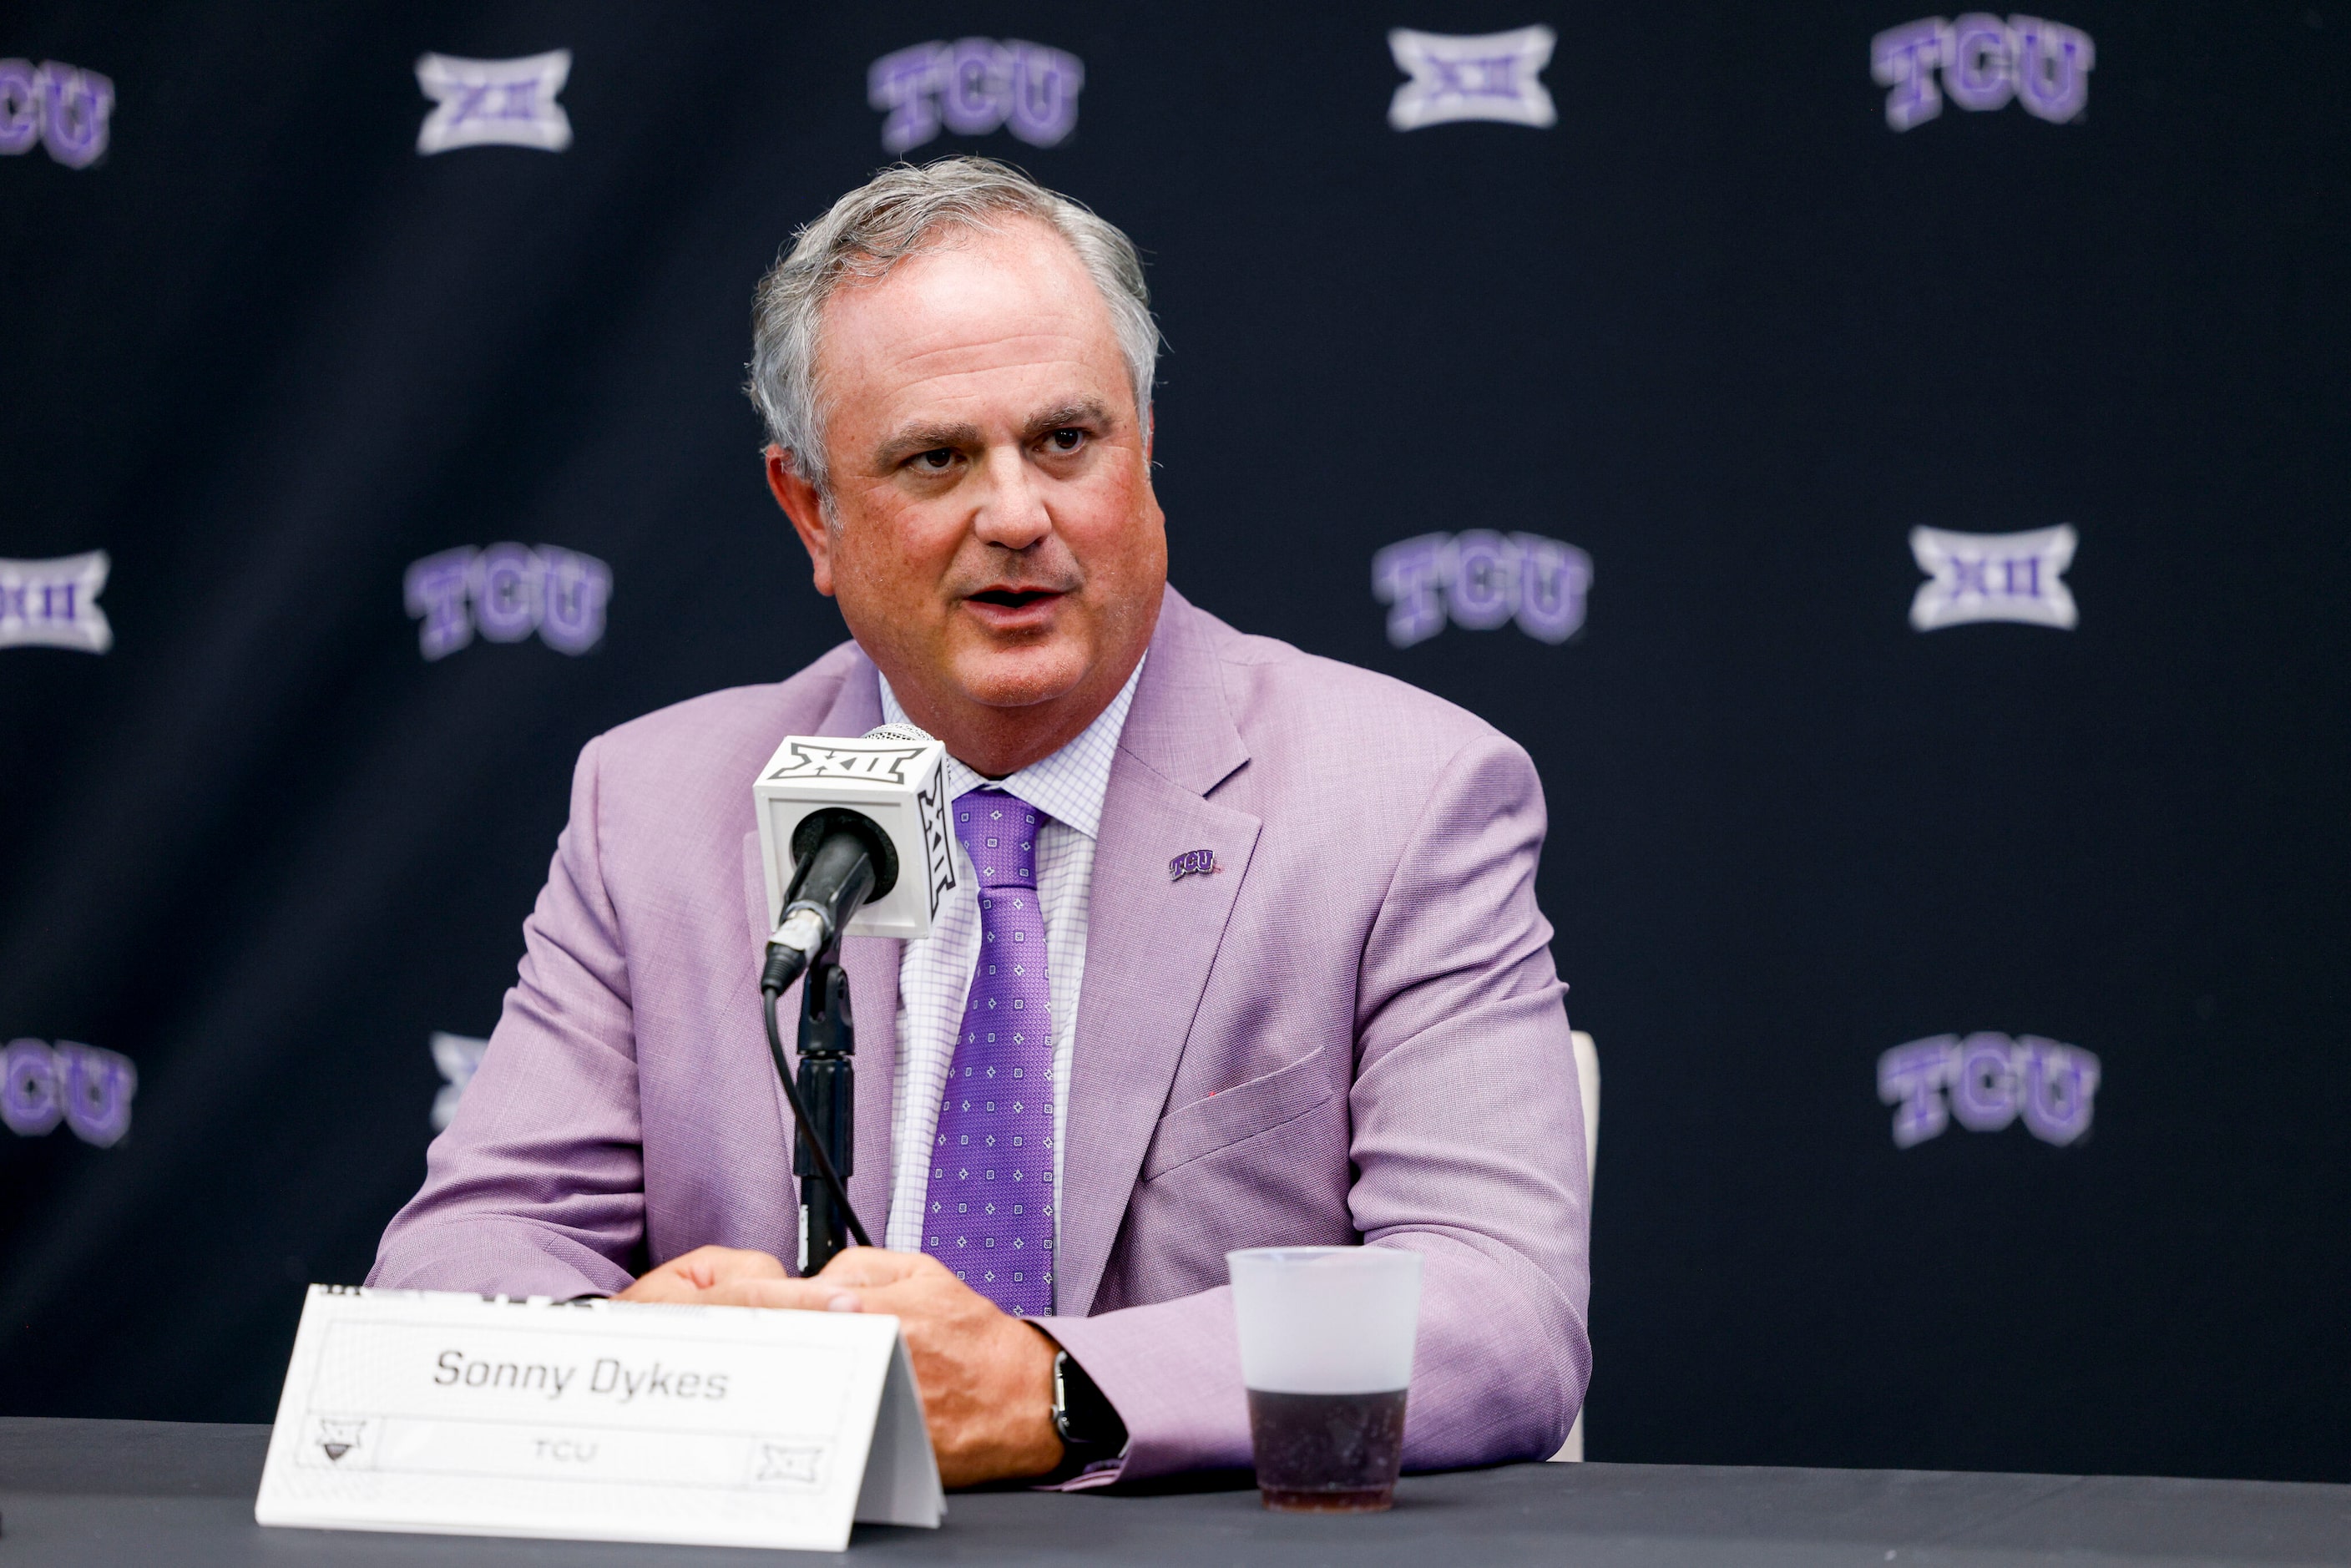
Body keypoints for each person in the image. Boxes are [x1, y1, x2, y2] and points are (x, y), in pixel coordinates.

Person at [370, 156, 1590, 1488]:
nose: (1017, 516)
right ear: (810, 511)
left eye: (1066, 440)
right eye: (936, 458)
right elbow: (455, 1268)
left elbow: (1498, 1311)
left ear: (1145, 448)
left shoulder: (1403, 798)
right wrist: (649, 1357)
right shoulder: (651, 808)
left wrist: (1056, 1384)